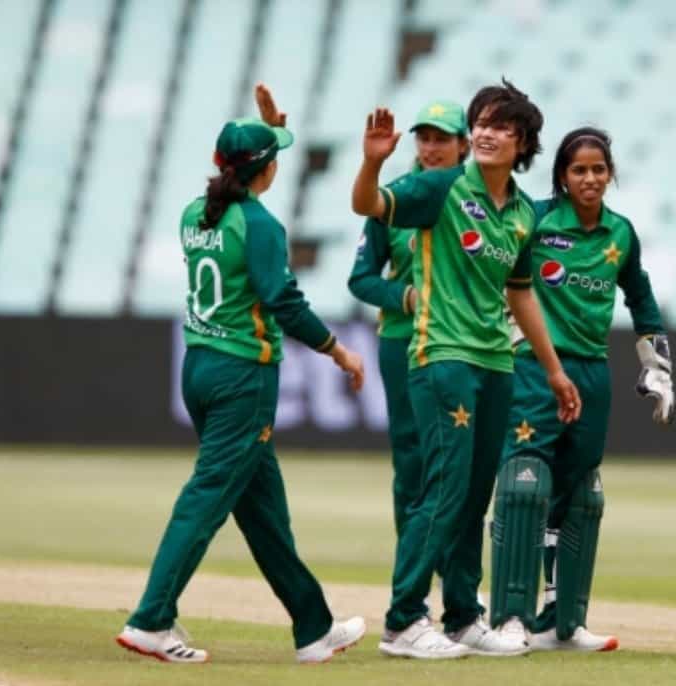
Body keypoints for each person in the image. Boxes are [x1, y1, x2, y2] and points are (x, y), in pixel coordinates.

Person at [116, 86, 367, 664]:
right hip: (243, 376)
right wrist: (337, 351)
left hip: (199, 367)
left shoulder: (195, 212)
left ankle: (314, 628)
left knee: (262, 511)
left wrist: (270, 132)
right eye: (274, 157)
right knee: (207, 495)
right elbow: (282, 300)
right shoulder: (260, 224)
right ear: (267, 169)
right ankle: (151, 620)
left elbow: (241, 177)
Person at [351, 79, 582, 659]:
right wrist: (372, 163)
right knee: (444, 487)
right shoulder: (442, 186)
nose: (484, 132)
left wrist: (554, 371)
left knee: (476, 495)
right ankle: (404, 621)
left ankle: (461, 615)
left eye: (500, 126)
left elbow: (521, 294)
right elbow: (367, 206)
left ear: (522, 142)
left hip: (496, 362)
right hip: (442, 354)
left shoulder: (524, 212)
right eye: (479, 122)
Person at [487, 127, 674, 653]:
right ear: (562, 177)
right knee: (524, 485)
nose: (590, 179)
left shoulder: (621, 233)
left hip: (592, 372)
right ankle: (510, 617)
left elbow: (641, 298)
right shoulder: (536, 219)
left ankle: (562, 621)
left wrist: (658, 366)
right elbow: (496, 273)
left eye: (598, 169)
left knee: (580, 495)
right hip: (535, 368)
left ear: (610, 174)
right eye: (578, 170)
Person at [347, 100, 469, 537]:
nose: (431, 148)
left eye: (442, 139)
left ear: (464, 145)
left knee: (462, 457)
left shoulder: (479, 198)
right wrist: (406, 296)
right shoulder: (394, 197)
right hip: (403, 338)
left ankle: (455, 569)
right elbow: (361, 278)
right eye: (425, 139)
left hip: (466, 342)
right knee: (412, 457)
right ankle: (411, 567)